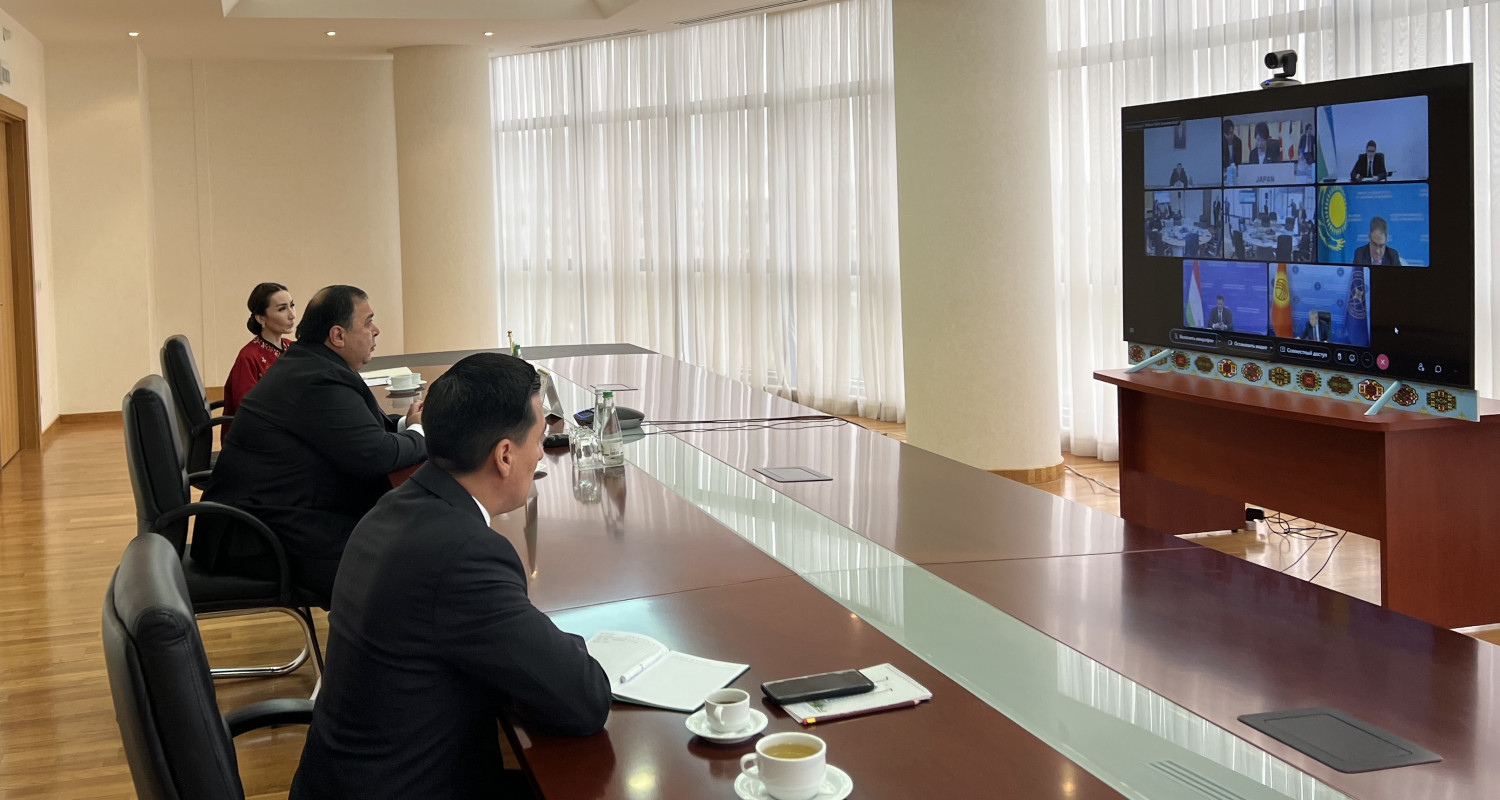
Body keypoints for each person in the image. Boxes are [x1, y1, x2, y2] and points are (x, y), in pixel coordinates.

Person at [290, 353, 612, 800]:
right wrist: (564, 644)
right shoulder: (465, 557)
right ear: (504, 455)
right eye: (539, 439)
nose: (541, 452)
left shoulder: (396, 507)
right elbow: (583, 700)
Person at [196, 285, 427, 603]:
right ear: (338, 336)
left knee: (399, 534)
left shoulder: (312, 362)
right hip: (256, 535)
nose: (376, 331)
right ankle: (373, 645)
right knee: (398, 558)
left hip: (279, 509)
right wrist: (418, 435)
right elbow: (375, 456)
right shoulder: (318, 378)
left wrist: (405, 425)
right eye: (368, 322)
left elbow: (359, 433)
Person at [223, 283, 295, 425]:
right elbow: (247, 409)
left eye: (292, 306)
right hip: (257, 433)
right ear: (261, 318)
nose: (292, 315)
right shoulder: (248, 357)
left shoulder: (292, 348)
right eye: (282, 309)